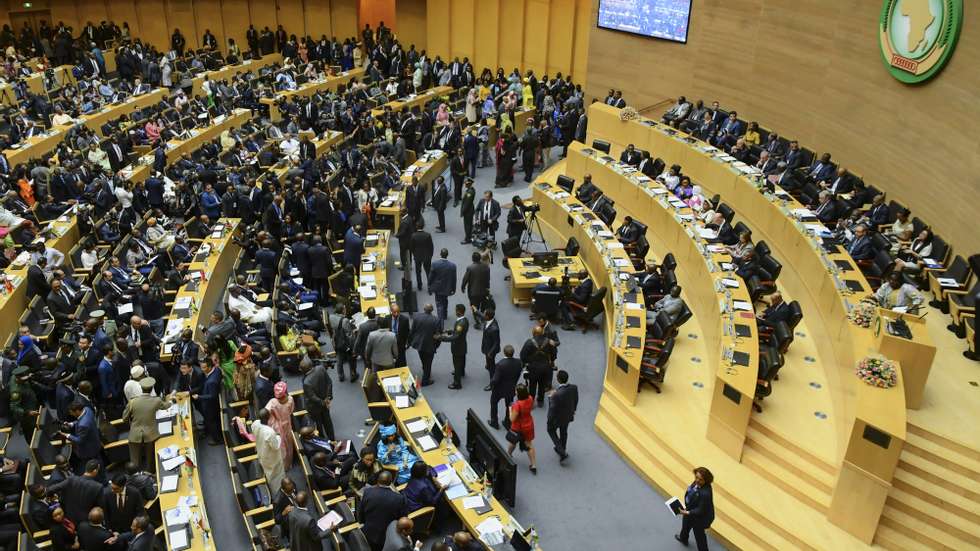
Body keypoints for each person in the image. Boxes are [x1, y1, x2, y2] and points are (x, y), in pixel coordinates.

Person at [122, 378, 172, 472]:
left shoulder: (132, 402)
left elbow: (124, 418)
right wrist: (171, 400)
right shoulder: (156, 400)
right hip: (151, 434)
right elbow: (166, 406)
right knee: (150, 460)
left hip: (135, 434)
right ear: (152, 388)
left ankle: (135, 476)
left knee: (134, 461)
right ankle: (150, 475)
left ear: (141, 388)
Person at [358, 470, 408, 551]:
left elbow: (361, 512)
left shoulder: (367, 492)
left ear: (378, 480)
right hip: (386, 537)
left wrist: (362, 523)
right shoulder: (399, 499)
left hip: (367, 532)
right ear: (391, 482)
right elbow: (402, 518)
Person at [675, 467, 715, 551]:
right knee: (685, 525)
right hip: (690, 509)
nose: (697, 480)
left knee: (699, 536)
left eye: (700, 479)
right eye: (696, 477)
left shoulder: (705, 493)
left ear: (706, 481)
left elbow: (700, 510)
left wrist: (688, 512)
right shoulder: (698, 483)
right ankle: (683, 538)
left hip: (701, 518)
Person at [547, 370, 578, 463]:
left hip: (557, 418)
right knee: (563, 432)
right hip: (568, 415)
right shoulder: (574, 388)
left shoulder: (556, 395)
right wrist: (573, 411)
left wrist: (550, 398)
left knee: (551, 430)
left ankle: (561, 451)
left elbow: (552, 409)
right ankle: (562, 448)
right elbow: (576, 400)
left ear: (558, 380)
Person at [488, 345, 522, 430]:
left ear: (504, 352)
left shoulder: (500, 364)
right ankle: (508, 422)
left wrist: (491, 384)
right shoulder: (518, 362)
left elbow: (495, 379)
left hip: (499, 389)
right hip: (511, 388)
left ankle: (494, 421)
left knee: (493, 403)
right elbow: (518, 374)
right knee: (509, 405)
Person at [301, 357, 335, 440]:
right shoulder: (321, 368)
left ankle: (323, 440)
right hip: (324, 402)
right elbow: (329, 383)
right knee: (328, 422)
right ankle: (332, 439)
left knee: (318, 425)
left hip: (314, 407)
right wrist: (328, 398)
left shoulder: (306, 382)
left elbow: (312, 397)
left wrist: (324, 402)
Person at [253, 408, 286, 492]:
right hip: (272, 459)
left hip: (261, 453)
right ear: (269, 417)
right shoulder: (270, 432)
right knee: (275, 477)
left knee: (268, 473)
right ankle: (277, 491)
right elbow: (276, 446)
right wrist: (278, 435)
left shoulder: (255, 423)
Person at [507, 384, 537, 474]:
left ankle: (508, 455)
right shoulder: (530, 398)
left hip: (518, 428)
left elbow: (512, 419)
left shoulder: (517, 405)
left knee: (513, 442)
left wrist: (510, 409)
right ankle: (533, 465)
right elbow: (532, 407)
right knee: (529, 444)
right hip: (528, 425)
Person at [520, 325, 554, 405]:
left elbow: (523, 355)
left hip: (533, 368)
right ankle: (540, 401)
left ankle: (531, 402)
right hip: (545, 367)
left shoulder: (529, 342)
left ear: (534, 333)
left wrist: (526, 363)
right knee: (542, 385)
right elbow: (553, 353)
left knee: (532, 385)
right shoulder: (548, 341)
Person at [266, 381, 296, 469]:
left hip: (276, 427)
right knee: (288, 444)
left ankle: (281, 466)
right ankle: (288, 464)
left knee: (280, 446)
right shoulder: (290, 399)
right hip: (287, 424)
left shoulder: (273, 402)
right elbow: (291, 411)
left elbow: (266, 412)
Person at [439, 304, 469, 390]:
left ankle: (457, 383)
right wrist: (451, 331)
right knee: (462, 359)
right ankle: (461, 372)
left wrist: (442, 338)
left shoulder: (460, 323)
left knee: (457, 363)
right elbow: (458, 332)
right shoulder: (464, 320)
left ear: (458, 312)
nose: (455, 311)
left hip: (457, 347)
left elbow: (456, 336)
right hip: (462, 345)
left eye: (456, 310)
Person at [409, 304, 440, 385]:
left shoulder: (417, 317)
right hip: (430, 345)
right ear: (432, 310)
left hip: (419, 343)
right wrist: (436, 345)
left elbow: (412, 331)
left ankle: (426, 370)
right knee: (428, 362)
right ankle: (425, 381)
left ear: (424, 309)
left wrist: (410, 342)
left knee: (423, 359)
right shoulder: (436, 320)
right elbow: (438, 335)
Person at [461, 251, 492, 330]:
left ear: (472, 259)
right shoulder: (486, 267)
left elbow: (465, 279)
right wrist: (488, 288)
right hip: (484, 291)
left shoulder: (470, 268)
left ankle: (478, 322)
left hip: (473, 292)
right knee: (483, 304)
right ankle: (482, 317)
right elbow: (488, 279)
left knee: (474, 307)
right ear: (480, 258)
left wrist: (463, 287)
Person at [428, 249, 457, 328]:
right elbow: (454, 278)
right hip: (447, 288)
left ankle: (441, 324)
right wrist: (453, 289)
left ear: (440, 254)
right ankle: (445, 314)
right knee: (445, 300)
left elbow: (430, 277)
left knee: (439, 305)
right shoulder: (452, 265)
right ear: (447, 255)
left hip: (438, 288)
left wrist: (429, 286)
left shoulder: (435, 264)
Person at [410, 221, 434, 292]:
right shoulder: (428, 235)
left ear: (416, 227)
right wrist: (430, 256)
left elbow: (411, 247)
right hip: (427, 256)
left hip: (417, 256)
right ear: (423, 226)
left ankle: (419, 286)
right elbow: (431, 247)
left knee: (418, 271)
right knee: (428, 272)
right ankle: (430, 287)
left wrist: (414, 254)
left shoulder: (413, 235)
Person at [480, 308, 501, 391]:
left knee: (491, 367)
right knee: (489, 363)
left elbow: (496, 342)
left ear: (488, 316)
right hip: (487, 346)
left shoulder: (494, 329)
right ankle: (489, 364)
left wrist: (490, 353)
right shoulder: (489, 320)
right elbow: (482, 315)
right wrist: (475, 310)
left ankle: (492, 383)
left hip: (491, 350)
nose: (483, 315)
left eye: (485, 314)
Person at [459, 178, 476, 244]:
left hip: (468, 211)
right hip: (469, 210)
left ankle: (467, 239)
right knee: (469, 224)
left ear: (469, 184)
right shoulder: (470, 190)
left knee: (467, 225)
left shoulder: (470, 192)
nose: (465, 185)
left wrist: (462, 212)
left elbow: (466, 204)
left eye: (466, 183)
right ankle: (469, 236)